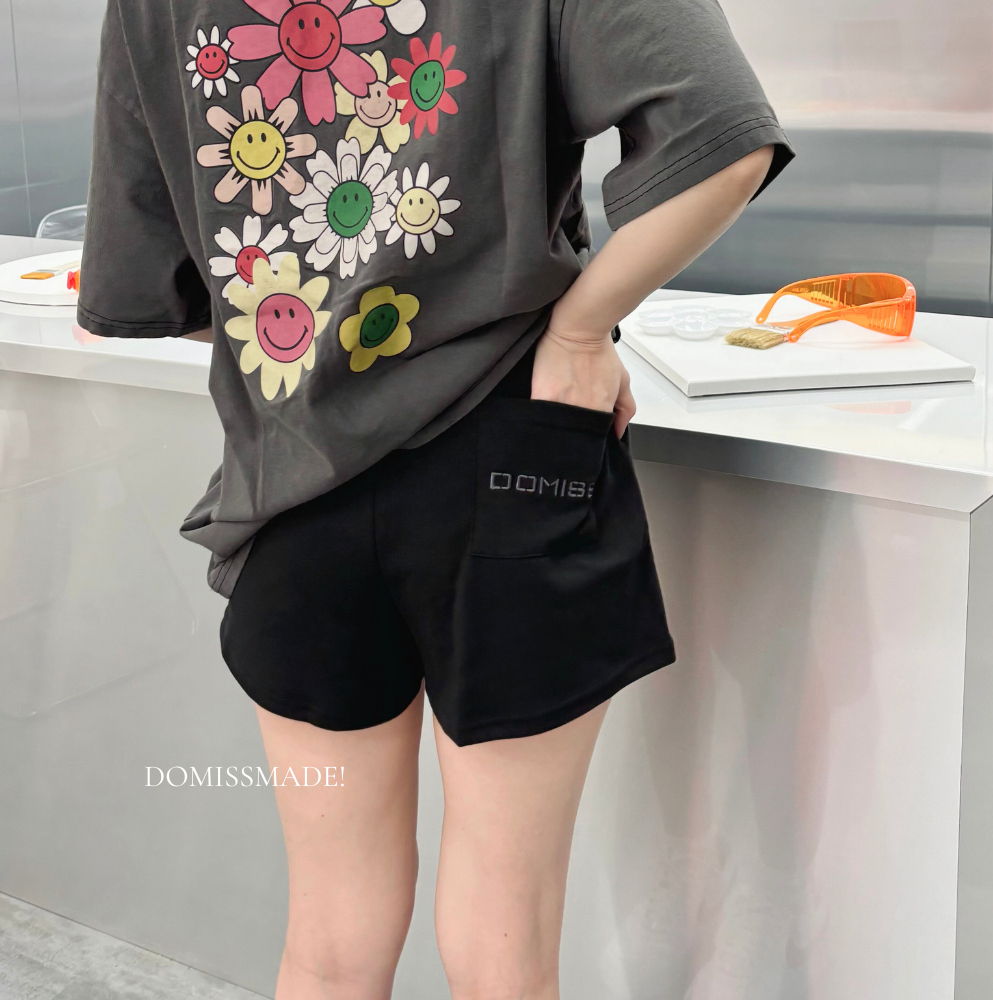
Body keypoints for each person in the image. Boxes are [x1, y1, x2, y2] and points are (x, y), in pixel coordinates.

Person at [80, 0, 791, 996]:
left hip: (296, 478)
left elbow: (140, 286)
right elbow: (723, 140)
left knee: (330, 937)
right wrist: (580, 331)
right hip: (509, 459)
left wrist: (321, 344)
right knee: (506, 938)